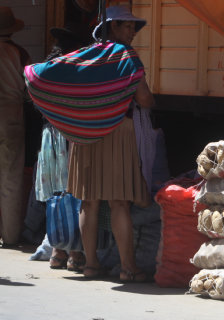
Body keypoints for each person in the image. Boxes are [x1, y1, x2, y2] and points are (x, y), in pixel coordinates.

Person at [65, 5, 155, 281]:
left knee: (88, 202)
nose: (132, 32)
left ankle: (90, 265)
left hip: (85, 133)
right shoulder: (127, 56)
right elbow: (144, 100)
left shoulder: (85, 56)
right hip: (117, 131)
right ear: (112, 27)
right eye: (127, 26)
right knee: (118, 203)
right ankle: (129, 268)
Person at [42, 21, 92, 271]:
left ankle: (57, 251)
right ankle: (74, 252)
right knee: (73, 193)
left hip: (49, 137)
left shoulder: (44, 71)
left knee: (55, 196)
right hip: (69, 137)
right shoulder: (74, 73)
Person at [0, 6, 31, 247]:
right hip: (12, 117)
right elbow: (32, 89)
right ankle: (10, 236)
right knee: (10, 179)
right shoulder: (20, 54)